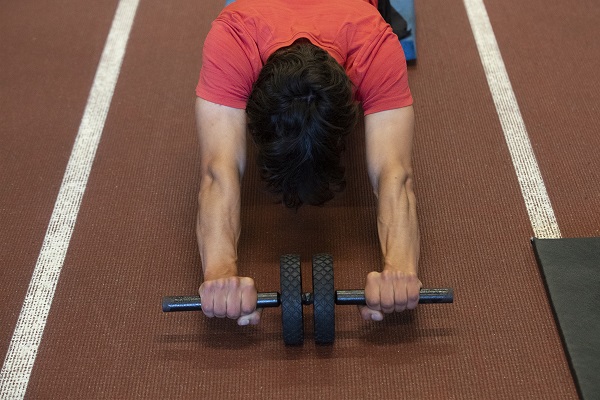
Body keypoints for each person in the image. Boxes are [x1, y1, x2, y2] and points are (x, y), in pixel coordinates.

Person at [195, 0, 422, 327]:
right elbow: (217, 171)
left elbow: (396, 173)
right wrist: (219, 271)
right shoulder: (234, 37)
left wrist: (401, 266)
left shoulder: (374, 44)